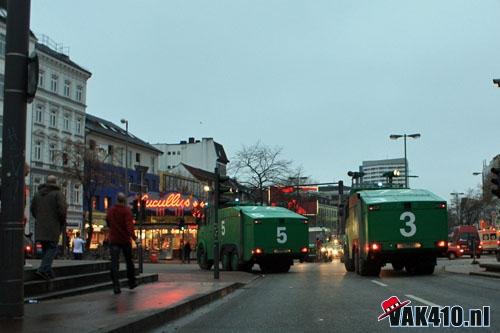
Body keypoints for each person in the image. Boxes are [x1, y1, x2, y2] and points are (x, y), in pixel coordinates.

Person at [30, 175, 67, 280]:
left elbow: (33, 209)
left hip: (40, 227)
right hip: (53, 226)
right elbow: (62, 210)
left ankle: (48, 272)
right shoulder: (58, 194)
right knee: (52, 248)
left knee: (46, 249)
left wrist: (40, 218)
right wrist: (61, 222)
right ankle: (43, 270)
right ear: (55, 183)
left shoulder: (37, 194)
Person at [106, 192, 138, 294]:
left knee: (114, 263)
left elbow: (107, 221)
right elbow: (129, 227)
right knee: (129, 261)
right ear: (124, 200)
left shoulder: (111, 210)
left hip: (114, 240)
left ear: (116, 200)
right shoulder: (127, 211)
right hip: (124, 240)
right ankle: (131, 282)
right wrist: (134, 238)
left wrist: (113, 228)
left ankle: (116, 285)